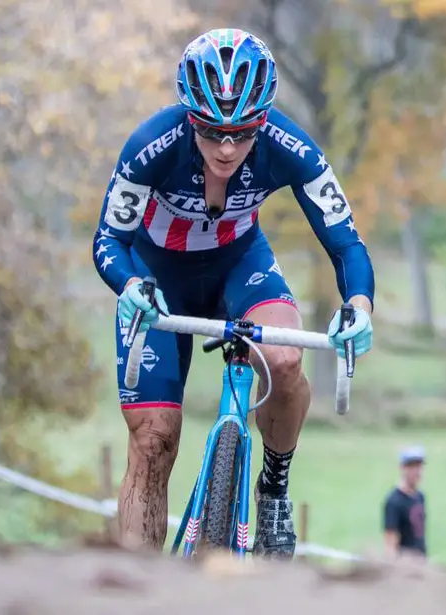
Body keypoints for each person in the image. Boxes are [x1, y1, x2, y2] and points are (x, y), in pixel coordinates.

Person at [92, 27, 376, 559]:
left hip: (238, 264)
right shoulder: (151, 144)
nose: (227, 148)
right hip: (158, 278)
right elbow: (109, 238)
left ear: (263, 120)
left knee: (286, 358)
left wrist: (357, 307)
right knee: (153, 439)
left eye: (243, 132)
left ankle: (273, 490)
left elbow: (346, 243)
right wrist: (130, 285)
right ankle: (136, 585)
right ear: (188, 117)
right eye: (210, 131)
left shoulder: (291, 146)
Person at [383, 445, 427, 559]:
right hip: (405, 566)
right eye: (412, 467)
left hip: (421, 563)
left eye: (419, 467)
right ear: (403, 468)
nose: (417, 472)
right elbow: (390, 541)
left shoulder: (420, 497)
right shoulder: (394, 501)